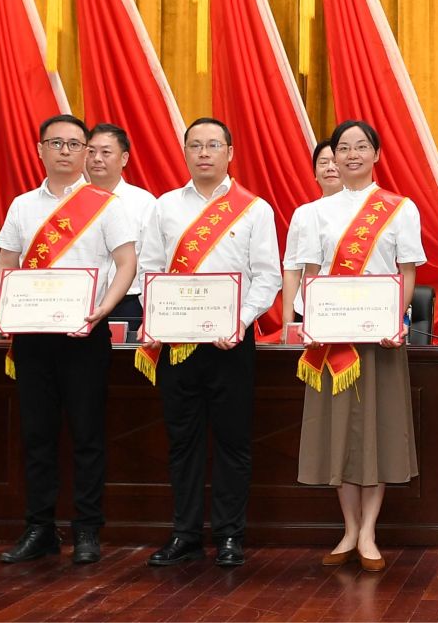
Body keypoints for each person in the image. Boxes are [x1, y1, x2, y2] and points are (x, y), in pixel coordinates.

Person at [0, 114, 140, 565]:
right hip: (33, 334)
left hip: (85, 332)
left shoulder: (106, 204)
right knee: (36, 434)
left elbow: (127, 263)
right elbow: (5, 263)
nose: (66, 151)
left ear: (86, 152)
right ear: (40, 150)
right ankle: (40, 528)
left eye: (75, 144)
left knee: (87, 434)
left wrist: (104, 308)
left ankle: (87, 529)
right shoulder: (22, 206)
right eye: (56, 143)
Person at [135, 117, 281, 568]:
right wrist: (157, 312)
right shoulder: (165, 206)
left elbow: (267, 277)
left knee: (233, 442)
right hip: (178, 344)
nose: (203, 153)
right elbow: (148, 270)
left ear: (229, 153)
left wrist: (239, 321)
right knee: (183, 442)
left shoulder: (254, 209)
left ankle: (230, 535)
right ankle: (185, 534)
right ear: (184, 152)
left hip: (230, 344)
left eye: (213, 145)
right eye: (195, 145)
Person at [289, 120, 421, 573]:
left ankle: (369, 533)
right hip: (332, 342)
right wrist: (309, 320)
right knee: (339, 434)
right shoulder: (313, 213)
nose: (351, 155)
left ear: (376, 154)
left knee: (378, 432)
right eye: (343, 148)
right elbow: (309, 275)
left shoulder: (400, 209)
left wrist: (395, 319)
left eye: (361, 146)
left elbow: (407, 273)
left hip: (380, 339)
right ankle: (348, 528)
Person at [88, 123, 156, 331]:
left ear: (124, 158)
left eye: (106, 152)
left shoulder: (144, 202)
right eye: (91, 151)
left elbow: (152, 260)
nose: (97, 158)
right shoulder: (70, 200)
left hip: (129, 303)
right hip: (81, 301)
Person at [279, 138, 343, 324]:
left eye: (336, 162)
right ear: (315, 173)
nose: (330, 168)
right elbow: (292, 269)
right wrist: (287, 322)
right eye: (323, 163)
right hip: (310, 309)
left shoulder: (364, 213)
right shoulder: (304, 213)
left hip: (353, 306)